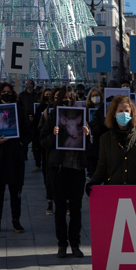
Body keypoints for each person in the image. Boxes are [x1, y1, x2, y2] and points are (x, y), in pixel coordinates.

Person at [42, 87, 90, 258]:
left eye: (71, 97)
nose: (67, 100)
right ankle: (62, 244)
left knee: (76, 209)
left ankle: (75, 244)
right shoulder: (53, 116)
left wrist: (87, 134)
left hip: (77, 168)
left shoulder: (82, 115)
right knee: (60, 209)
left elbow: (90, 143)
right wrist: (53, 135)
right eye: (64, 98)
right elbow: (42, 140)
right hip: (59, 168)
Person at [0, 83, 26, 234]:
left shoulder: (19, 111)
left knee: (15, 192)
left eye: (9, 92)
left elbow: (28, 132)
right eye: (3, 92)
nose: (6, 94)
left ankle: (16, 221)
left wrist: (20, 142)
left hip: (15, 157)